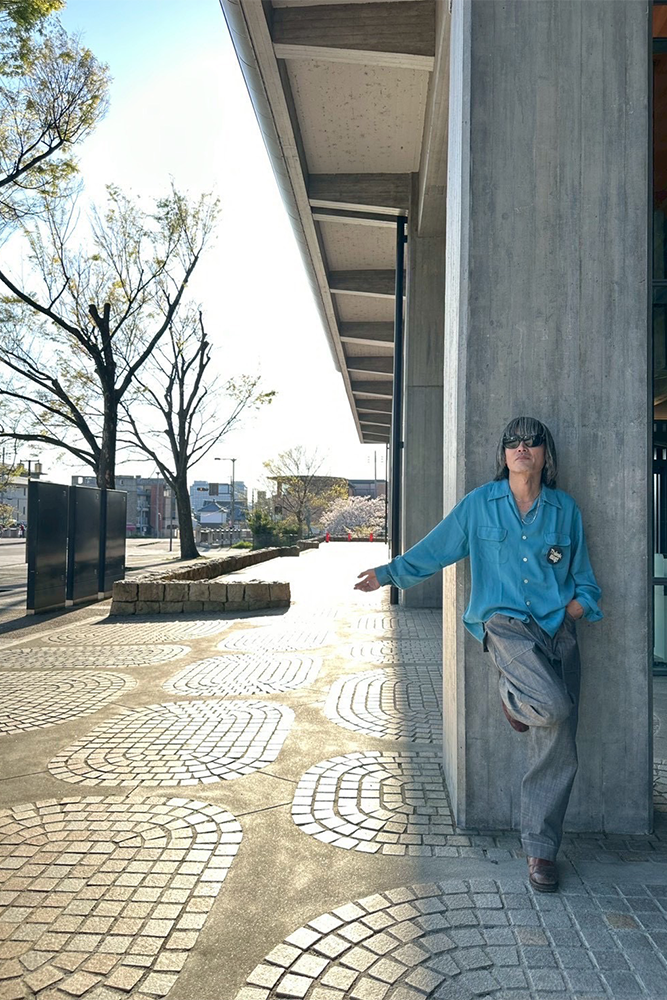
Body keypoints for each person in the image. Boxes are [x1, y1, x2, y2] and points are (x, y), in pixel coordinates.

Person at [355, 416, 602, 892]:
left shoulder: (564, 509)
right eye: (513, 441)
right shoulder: (479, 505)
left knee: (559, 746)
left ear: (546, 454)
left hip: (557, 628)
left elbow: (585, 578)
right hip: (504, 625)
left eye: (532, 441)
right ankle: (513, 697)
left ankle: (540, 850)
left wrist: (575, 610)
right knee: (554, 706)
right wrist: (387, 574)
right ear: (503, 454)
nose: (522, 447)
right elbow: (437, 548)